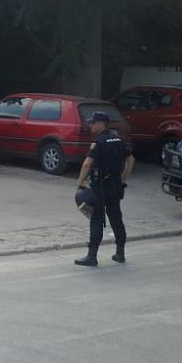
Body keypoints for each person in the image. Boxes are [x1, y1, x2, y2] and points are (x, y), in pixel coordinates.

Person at [74, 111, 135, 267]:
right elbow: (131, 159)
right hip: (115, 185)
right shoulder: (118, 140)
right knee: (116, 217)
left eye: (93, 123)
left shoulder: (99, 142)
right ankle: (120, 253)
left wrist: (80, 183)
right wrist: (123, 178)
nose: (91, 125)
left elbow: (87, 164)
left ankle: (92, 256)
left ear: (101, 124)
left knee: (97, 219)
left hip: (99, 186)